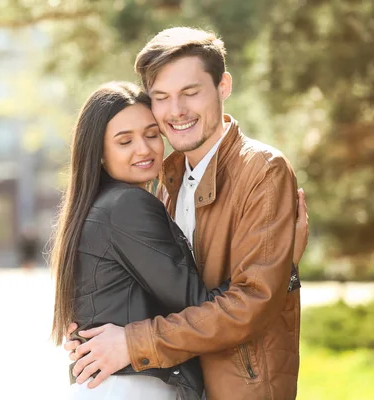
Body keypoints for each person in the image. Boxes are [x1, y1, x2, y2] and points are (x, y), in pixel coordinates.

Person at [66, 27, 308, 400]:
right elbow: (166, 290)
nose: (176, 111)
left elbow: (251, 302)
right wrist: (99, 323)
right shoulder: (169, 179)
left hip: (240, 386)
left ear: (223, 87)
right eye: (161, 97)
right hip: (182, 384)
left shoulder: (261, 170)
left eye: (190, 93)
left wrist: (132, 342)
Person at [51, 82, 234, 399]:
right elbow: (200, 306)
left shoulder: (99, 205)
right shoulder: (126, 206)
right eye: (125, 141)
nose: (144, 149)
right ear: (99, 154)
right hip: (132, 389)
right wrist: (276, 262)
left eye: (151, 134)